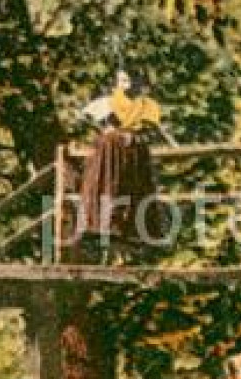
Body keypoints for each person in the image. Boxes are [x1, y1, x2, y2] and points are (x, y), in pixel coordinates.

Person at [70, 68, 170, 258]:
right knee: (106, 186)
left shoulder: (147, 106)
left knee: (133, 191)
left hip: (134, 154)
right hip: (109, 152)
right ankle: (100, 229)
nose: (128, 85)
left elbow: (153, 131)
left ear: (140, 83)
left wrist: (137, 137)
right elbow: (83, 117)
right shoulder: (107, 103)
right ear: (116, 82)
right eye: (123, 81)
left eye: (132, 81)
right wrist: (105, 130)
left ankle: (132, 233)